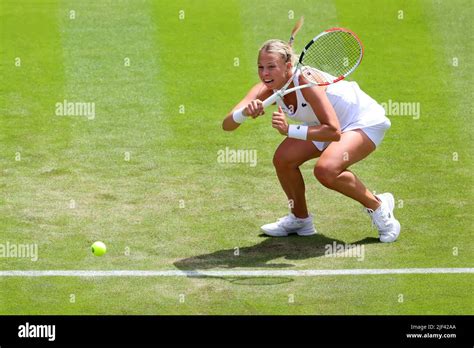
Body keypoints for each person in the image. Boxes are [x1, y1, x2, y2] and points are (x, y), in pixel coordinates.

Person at [222, 20, 400, 243]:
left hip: (361, 121)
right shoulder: (265, 87)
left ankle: (379, 206)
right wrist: (245, 113)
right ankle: (300, 219)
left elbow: (333, 132)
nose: (264, 73)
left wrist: (289, 129)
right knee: (283, 160)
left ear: (288, 67)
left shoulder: (307, 83)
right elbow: (227, 125)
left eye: (271, 67)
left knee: (326, 170)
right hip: (324, 124)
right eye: (261, 67)